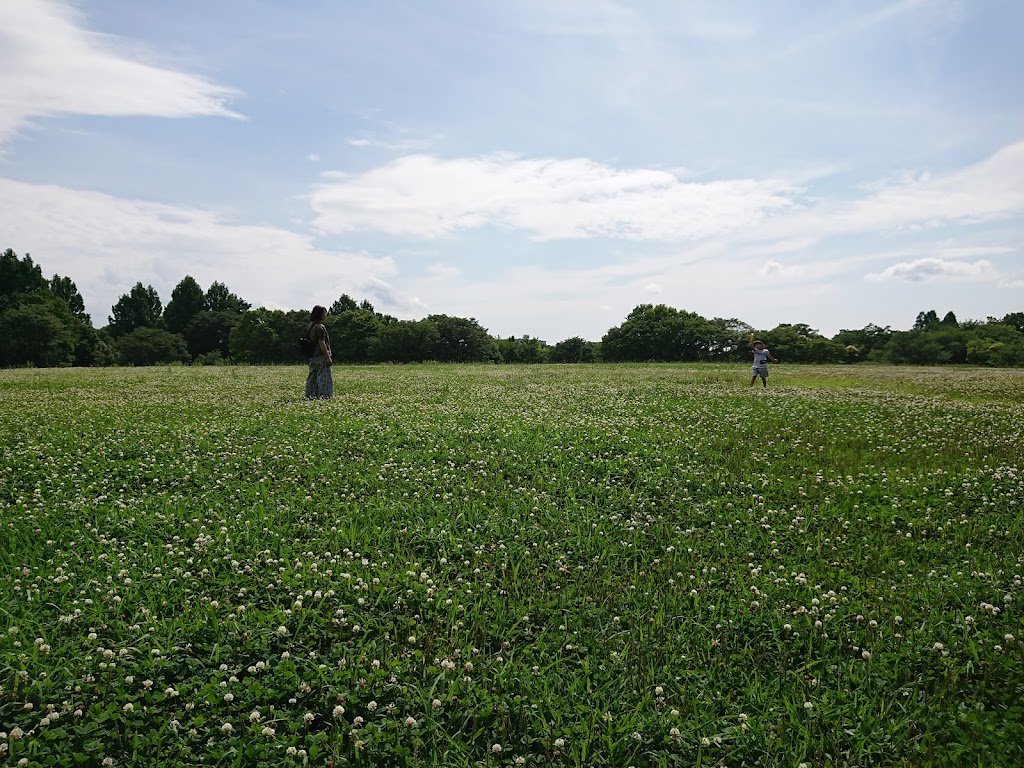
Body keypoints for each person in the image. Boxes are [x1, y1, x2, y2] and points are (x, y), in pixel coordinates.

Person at [304, 305, 333, 399]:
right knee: (324, 376)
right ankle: (325, 396)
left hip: (312, 356)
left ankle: (310, 395)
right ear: (320, 314)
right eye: (324, 313)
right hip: (320, 355)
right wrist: (327, 356)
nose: (325, 315)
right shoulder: (320, 327)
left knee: (312, 377)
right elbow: (322, 342)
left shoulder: (311, 325)